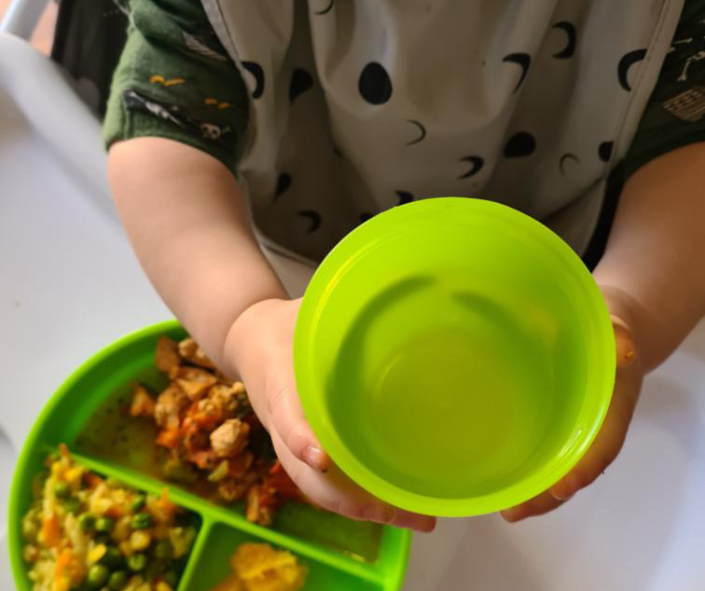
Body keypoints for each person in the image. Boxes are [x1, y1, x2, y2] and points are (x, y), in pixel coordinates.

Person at [103, 0, 705, 532]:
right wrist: (243, 319)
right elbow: (163, 129)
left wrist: (631, 304)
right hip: (292, 264)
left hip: (555, 280)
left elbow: (689, 150)